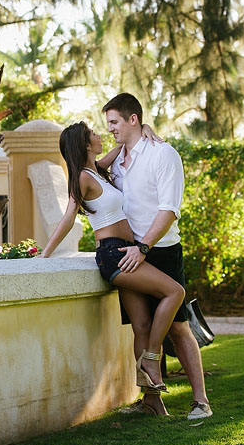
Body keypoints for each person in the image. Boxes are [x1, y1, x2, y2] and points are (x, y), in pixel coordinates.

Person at [39, 121, 187, 416]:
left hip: (123, 251)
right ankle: (150, 356)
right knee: (175, 291)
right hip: (113, 255)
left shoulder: (98, 170)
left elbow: (123, 145)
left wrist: (143, 127)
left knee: (141, 326)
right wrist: (44, 255)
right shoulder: (82, 177)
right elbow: (69, 216)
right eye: (94, 134)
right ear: (84, 144)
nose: (100, 135)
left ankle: (152, 402)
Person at [103, 93, 211, 421]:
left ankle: (201, 403)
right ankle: (152, 401)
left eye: (114, 122)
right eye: (107, 123)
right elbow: (89, 168)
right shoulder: (118, 160)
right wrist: (121, 145)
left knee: (179, 328)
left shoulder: (163, 154)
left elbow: (169, 211)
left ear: (132, 119)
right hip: (127, 252)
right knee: (141, 326)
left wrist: (144, 248)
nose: (109, 129)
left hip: (159, 251)